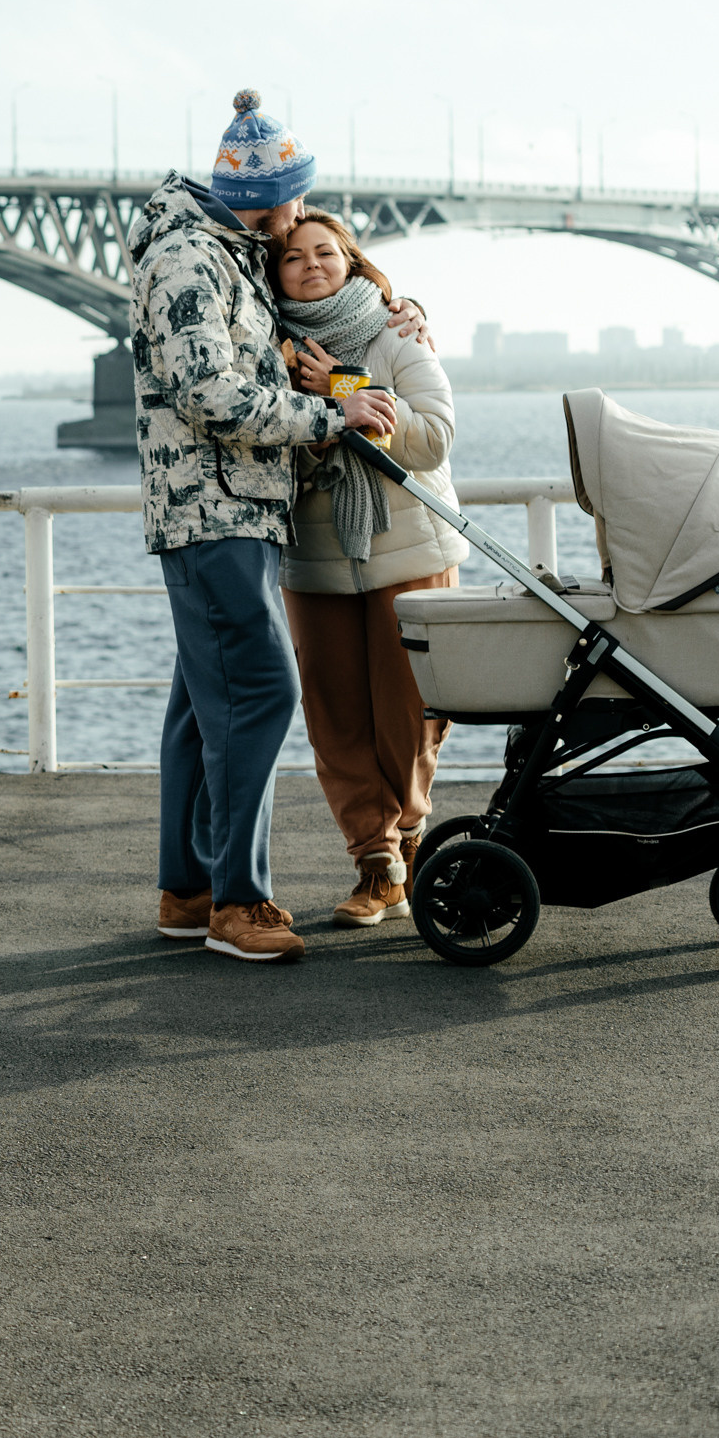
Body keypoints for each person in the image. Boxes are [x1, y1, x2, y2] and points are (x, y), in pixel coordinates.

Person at [128, 91, 416, 964]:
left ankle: (188, 891)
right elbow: (210, 393)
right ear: (277, 195)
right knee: (263, 691)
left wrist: (396, 313)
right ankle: (238, 902)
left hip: (237, 503)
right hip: (212, 505)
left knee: (199, 706)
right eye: (298, 202)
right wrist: (330, 418)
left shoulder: (229, 251)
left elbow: (288, 340)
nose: (299, 222)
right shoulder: (189, 256)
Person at [272, 211, 469, 926]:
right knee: (334, 717)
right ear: (277, 272)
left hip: (410, 551)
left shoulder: (396, 332)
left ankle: (412, 832)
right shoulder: (268, 350)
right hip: (316, 559)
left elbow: (435, 438)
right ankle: (377, 863)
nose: (313, 264)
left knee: (408, 713)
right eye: (295, 257)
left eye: (327, 252)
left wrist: (345, 388)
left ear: (353, 262)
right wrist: (320, 415)